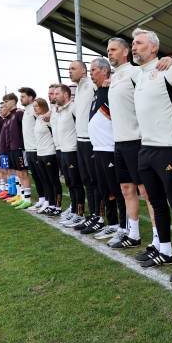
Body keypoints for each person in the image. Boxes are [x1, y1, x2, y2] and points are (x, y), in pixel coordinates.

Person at [131, 28, 172, 284]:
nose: (134, 47)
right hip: (145, 148)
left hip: (168, 147)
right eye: (133, 44)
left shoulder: (170, 70)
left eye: (139, 43)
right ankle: (165, 250)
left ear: (154, 48)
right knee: (156, 203)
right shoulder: (138, 75)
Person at [105, 38, 166, 250]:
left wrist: (167, 59)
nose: (109, 53)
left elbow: (155, 72)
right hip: (119, 142)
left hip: (137, 141)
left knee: (147, 192)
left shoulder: (135, 72)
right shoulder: (115, 77)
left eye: (113, 49)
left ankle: (159, 239)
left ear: (125, 52)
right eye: (108, 50)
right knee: (125, 189)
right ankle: (134, 234)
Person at [85, 57, 127, 239]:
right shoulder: (98, 92)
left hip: (110, 148)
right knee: (105, 190)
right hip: (98, 149)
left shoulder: (112, 88)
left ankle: (125, 227)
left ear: (104, 71)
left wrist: (114, 79)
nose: (91, 73)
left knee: (118, 191)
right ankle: (113, 223)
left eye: (93, 70)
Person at [68, 60, 103, 233]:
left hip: (91, 140)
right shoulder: (79, 89)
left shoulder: (91, 85)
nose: (69, 71)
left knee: (95, 180)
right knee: (87, 180)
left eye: (73, 68)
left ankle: (100, 216)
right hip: (80, 140)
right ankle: (93, 214)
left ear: (83, 71)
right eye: (69, 69)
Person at [55, 84, 87, 224]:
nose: (55, 96)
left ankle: (80, 214)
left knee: (76, 183)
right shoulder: (60, 110)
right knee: (69, 183)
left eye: (57, 94)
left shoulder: (73, 108)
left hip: (73, 151)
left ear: (66, 95)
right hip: (63, 151)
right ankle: (73, 210)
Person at [32, 97, 63, 216]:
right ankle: (50, 204)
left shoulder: (48, 119)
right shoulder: (38, 119)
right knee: (45, 181)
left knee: (54, 181)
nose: (35, 108)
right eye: (34, 106)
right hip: (40, 154)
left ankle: (58, 206)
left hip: (49, 154)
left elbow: (55, 133)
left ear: (43, 106)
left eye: (37, 106)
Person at [18, 87, 47, 210]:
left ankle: (47, 199)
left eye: (23, 96)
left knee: (42, 176)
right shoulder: (26, 111)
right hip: (28, 149)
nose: (21, 98)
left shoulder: (35, 110)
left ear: (30, 97)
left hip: (37, 149)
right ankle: (41, 199)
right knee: (35, 175)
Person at [2, 93, 31, 207]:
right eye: (4, 102)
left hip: (19, 148)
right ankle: (20, 196)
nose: (5, 104)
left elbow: (26, 129)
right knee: (18, 174)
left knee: (23, 172)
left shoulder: (19, 113)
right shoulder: (9, 117)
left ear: (13, 101)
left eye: (6, 101)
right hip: (12, 149)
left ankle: (27, 199)